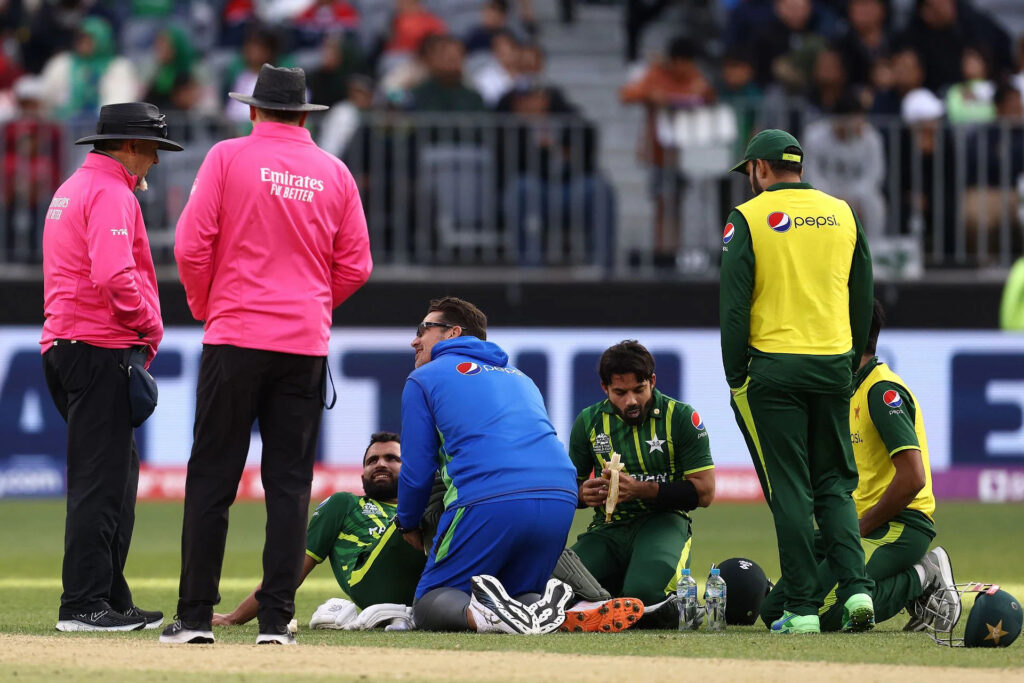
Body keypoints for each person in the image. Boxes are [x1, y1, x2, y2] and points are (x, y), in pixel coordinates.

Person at [162, 64, 373, 646]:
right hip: (302, 344)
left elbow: (189, 242)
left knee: (212, 477)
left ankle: (195, 618)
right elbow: (357, 264)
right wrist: (309, 304)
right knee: (288, 484)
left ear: (254, 110)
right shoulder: (333, 171)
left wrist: (209, 303)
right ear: (303, 115)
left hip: (234, 337)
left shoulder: (228, 158)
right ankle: (277, 620)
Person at [720, 128, 875, 634]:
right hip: (834, 364)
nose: (749, 181)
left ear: (761, 169)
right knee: (835, 482)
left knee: (791, 486)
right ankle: (855, 592)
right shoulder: (844, 213)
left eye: (749, 172)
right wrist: (851, 357)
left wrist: (735, 371)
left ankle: (803, 608)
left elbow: (734, 305)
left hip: (775, 367)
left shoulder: (747, 217)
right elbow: (862, 292)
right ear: (799, 167)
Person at [41, 102, 183, 632]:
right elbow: (113, 275)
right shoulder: (110, 193)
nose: (155, 161)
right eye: (151, 149)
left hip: (71, 343)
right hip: (98, 347)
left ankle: (108, 597)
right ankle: (82, 604)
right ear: (126, 146)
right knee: (101, 486)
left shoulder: (74, 188)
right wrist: (150, 324)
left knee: (115, 482)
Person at [761, 300, 960, 633]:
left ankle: (923, 575)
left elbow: (913, 478)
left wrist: (860, 527)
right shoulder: (844, 389)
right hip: (853, 524)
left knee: (824, 612)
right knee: (776, 611)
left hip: (899, 525)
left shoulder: (881, 392)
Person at [397, 297, 580, 634]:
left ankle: (489, 615)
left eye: (424, 329)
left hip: (489, 500)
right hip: (561, 498)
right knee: (518, 593)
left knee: (429, 603)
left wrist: (407, 521)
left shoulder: (424, 378)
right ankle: (548, 605)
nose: (415, 339)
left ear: (453, 333)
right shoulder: (521, 377)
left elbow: (417, 469)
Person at [568, 340, 715, 627]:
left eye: (639, 390)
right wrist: (581, 496)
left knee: (643, 594)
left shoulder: (681, 417)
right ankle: (611, 596)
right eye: (620, 393)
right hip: (608, 529)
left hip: (664, 522)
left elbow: (706, 492)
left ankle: (674, 605)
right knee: (556, 589)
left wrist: (640, 490)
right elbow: (566, 490)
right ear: (605, 389)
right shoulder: (588, 422)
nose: (631, 401)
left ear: (653, 381)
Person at [212, 432, 427, 626]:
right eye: (372, 460)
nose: (380, 464)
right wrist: (235, 617)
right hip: (372, 581)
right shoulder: (344, 504)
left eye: (391, 458)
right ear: (362, 477)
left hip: (421, 585)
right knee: (435, 498)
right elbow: (294, 567)